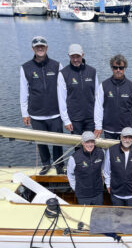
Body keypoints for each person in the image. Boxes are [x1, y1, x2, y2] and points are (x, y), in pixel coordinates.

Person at [20, 36, 64, 175]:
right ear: (33, 48)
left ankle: (59, 164)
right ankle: (46, 164)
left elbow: (63, 91)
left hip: (55, 112)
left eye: (42, 46)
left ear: (47, 48)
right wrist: (24, 113)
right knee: (41, 141)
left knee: (58, 141)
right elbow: (23, 92)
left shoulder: (57, 65)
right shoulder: (25, 68)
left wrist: (65, 112)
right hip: (36, 113)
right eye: (37, 46)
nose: (40, 48)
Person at [94, 54, 132, 140]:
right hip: (108, 129)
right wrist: (98, 126)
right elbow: (98, 107)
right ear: (112, 68)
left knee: (126, 153)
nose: (118, 70)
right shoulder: (103, 86)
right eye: (115, 67)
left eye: (121, 68)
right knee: (110, 153)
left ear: (124, 68)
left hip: (126, 130)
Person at [58, 44, 98, 135]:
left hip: (91, 118)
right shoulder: (63, 74)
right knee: (78, 148)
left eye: (78, 56)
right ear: (69, 56)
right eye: (73, 57)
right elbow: (61, 98)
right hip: (74, 119)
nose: (75, 59)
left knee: (92, 146)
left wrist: (98, 119)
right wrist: (66, 120)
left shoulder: (92, 71)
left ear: (82, 55)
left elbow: (97, 96)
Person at [103, 127, 132, 206]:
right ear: (121, 137)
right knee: (117, 217)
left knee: (131, 217)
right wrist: (107, 184)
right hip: (116, 193)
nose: (127, 140)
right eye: (125, 137)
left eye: (130, 137)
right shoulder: (111, 151)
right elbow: (106, 170)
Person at [67, 131, 105, 205]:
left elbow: (103, 168)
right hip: (83, 195)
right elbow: (70, 174)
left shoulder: (101, 153)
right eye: (87, 142)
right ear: (83, 143)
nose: (90, 145)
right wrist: (76, 188)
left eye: (92, 142)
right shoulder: (74, 157)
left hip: (98, 193)